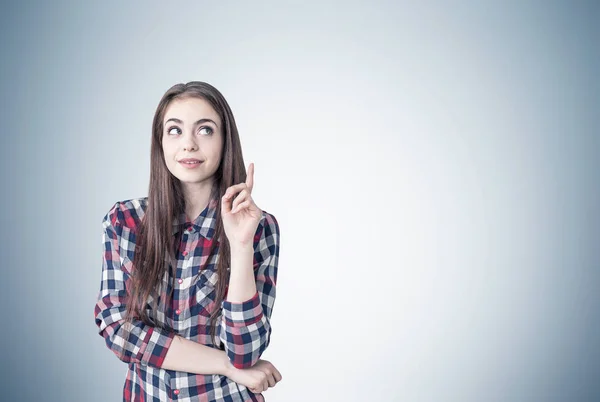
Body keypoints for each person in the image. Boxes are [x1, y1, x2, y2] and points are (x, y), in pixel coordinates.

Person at [94, 81, 282, 402]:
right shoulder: (125, 220)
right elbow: (118, 329)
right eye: (175, 131)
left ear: (226, 141)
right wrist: (225, 366)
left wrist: (239, 245)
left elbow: (245, 352)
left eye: (205, 130)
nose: (189, 145)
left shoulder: (259, 227)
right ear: (161, 142)